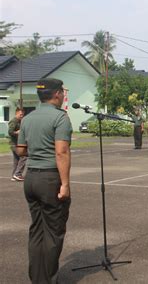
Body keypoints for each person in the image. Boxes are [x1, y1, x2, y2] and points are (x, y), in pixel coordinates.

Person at [16, 78, 72, 284]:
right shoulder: (60, 118)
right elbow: (61, 152)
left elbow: (21, 150)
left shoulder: (28, 119)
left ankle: (37, 278)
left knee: (37, 229)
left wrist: (37, 148)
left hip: (31, 178)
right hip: (50, 178)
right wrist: (65, 184)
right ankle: (47, 280)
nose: (64, 96)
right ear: (57, 94)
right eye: (62, 92)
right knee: (53, 231)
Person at [9, 107, 26, 181]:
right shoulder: (14, 121)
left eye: (23, 114)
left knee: (17, 160)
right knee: (24, 157)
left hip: (16, 143)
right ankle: (18, 174)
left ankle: (14, 175)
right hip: (14, 144)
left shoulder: (20, 121)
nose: (22, 115)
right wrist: (17, 132)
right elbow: (10, 131)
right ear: (16, 113)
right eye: (20, 114)